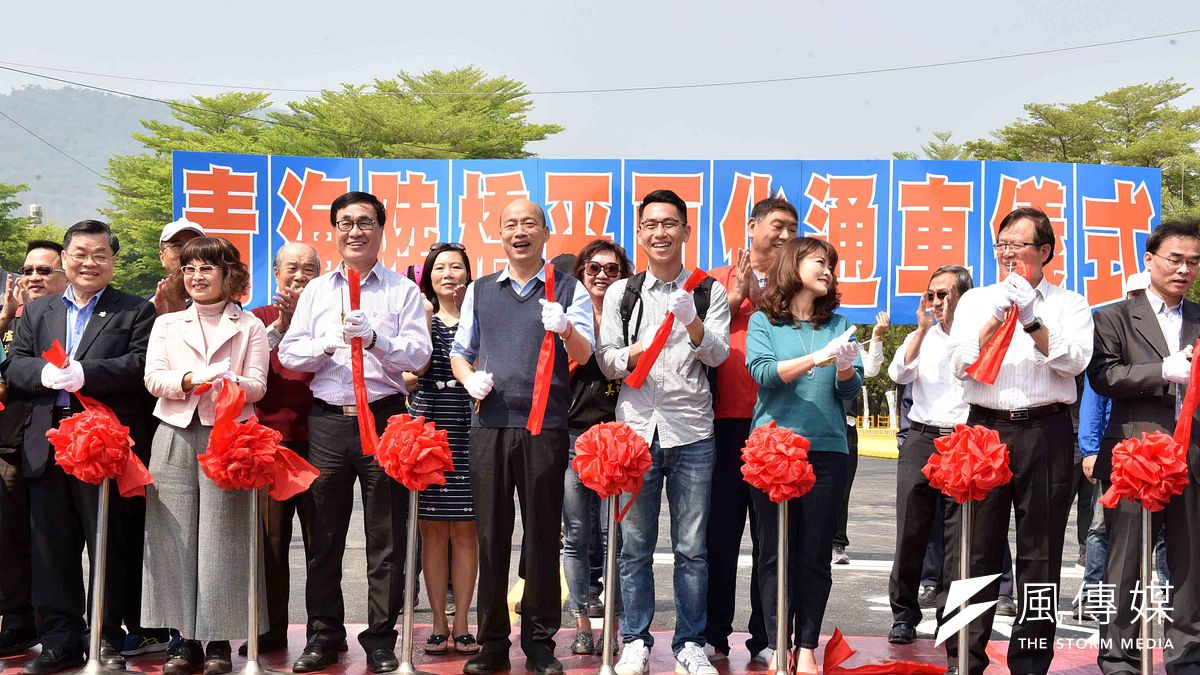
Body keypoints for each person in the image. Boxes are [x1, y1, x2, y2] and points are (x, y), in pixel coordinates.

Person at [279, 191, 431, 674]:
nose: (355, 231)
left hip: (384, 417)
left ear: (381, 229)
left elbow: (419, 355)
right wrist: (328, 343)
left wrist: (376, 340)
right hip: (328, 420)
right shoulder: (317, 291)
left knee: (387, 536)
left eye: (365, 222)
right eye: (345, 223)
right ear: (334, 231)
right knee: (323, 534)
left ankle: (381, 638)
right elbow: (289, 353)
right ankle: (324, 634)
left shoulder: (402, 291)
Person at [3, 220, 157, 675]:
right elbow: (15, 364)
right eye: (81, 254)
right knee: (50, 546)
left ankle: (104, 637)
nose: (90, 263)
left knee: (108, 542)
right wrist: (43, 374)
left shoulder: (135, 310)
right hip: (47, 442)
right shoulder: (38, 310)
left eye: (100, 255)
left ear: (113, 261)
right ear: (66, 258)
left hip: (103, 443)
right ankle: (59, 641)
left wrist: (86, 374)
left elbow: (141, 365)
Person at [946, 206, 1093, 675]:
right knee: (972, 549)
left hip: (1045, 430)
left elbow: (1074, 363)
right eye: (1002, 244)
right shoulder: (976, 300)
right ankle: (963, 659)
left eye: (1018, 244)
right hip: (983, 430)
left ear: (1044, 251)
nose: (1007, 253)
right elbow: (959, 365)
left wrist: (1031, 319)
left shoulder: (1069, 303)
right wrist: (994, 319)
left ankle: (1030, 662)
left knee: (1040, 554)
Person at [450, 198, 594, 675]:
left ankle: (539, 643)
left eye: (529, 223)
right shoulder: (480, 290)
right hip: (490, 425)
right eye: (510, 224)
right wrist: (469, 378)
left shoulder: (568, 288)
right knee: (491, 535)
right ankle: (492, 642)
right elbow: (460, 351)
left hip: (544, 427)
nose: (520, 231)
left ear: (545, 233)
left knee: (542, 536)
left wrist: (566, 327)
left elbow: (585, 352)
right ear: (499, 235)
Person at [597, 189, 731, 675]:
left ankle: (689, 643)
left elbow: (718, 354)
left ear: (685, 231)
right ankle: (635, 639)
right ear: (640, 233)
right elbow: (607, 360)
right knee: (634, 547)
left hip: (692, 432)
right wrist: (640, 349)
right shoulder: (622, 292)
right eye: (651, 224)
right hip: (636, 433)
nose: (660, 232)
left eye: (670, 223)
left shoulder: (708, 291)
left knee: (691, 549)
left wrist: (692, 322)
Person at [140, 236, 270, 675]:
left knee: (224, 537)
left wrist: (229, 381)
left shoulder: (248, 325)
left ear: (227, 273)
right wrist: (190, 379)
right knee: (172, 535)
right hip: (174, 431)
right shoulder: (167, 323)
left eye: (207, 268)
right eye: (189, 268)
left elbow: (258, 386)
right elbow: (154, 378)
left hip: (229, 437)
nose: (196, 277)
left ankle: (218, 640)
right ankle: (182, 639)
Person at [744, 236, 862, 675]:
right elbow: (763, 373)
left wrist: (844, 365)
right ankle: (778, 643)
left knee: (814, 553)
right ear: (793, 267)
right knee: (774, 554)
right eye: (819, 262)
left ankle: (807, 644)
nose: (827, 270)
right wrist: (817, 358)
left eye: (831, 264)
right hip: (772, 451)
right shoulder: (764, 322)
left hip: (826, 449)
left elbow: (850, 390)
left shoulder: (839, 324)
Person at [1088, 218, 1200, 673]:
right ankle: (1120, 660)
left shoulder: (1199, 318)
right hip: (1136, 455)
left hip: (1191, 454)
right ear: (1149, 260)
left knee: (1190, 564)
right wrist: (1162, 372)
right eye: (1175, 259)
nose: (1184, 270)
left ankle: (1188, 659)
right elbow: (1104, 376)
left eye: (1194, 262)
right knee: (1125, 562)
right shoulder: (1113, 317)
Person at [700, 197, 794, 663]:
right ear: (752, 226)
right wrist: (735, 299)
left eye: (792, 228)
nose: (784, 235)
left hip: (775, 427)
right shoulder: (713, 279)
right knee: (718, 535)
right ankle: (713, 633)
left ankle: (768, 637)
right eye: (777, 225)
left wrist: (766, 297)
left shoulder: (793, 284)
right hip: (720, 424)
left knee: (772, 540)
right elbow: (694, 339)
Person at [884, 266, 971, 645]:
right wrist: (920, 330)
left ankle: (950, 617)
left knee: (958, 537)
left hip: (964, 441)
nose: (936, 302)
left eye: (944, 294)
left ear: (964, 297)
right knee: (911, 530)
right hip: (922, 438)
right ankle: (903, 615)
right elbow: (898, 373)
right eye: (931, 295)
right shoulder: (920, 337)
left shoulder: (978, 336)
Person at [243, 242, 321, 655]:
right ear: (276, 273)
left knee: (321, 543)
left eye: (309, 268)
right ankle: (270, 629)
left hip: (321, 442)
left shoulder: (331, 317)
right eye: (292, 267)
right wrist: (282, 325)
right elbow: (246, 370)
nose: (300, 275)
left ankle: (322, 632)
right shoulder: (256, 319)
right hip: (270, 445)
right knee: (271, 542)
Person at [405, 243, 479, 656]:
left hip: (472, 430)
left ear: (469, 274)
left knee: (466, 530)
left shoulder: (480, 317)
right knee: (431, 530)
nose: (448, 274)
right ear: (428, 278)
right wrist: (423, 320)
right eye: (440, 268)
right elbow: (409, 371)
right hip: (428, 431)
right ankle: (436, 621)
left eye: (456, 267)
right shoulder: (420, 318)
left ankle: (463, 621)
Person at [562, 239, 632, 656]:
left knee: (614, 539)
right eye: (594, 268)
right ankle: (581, 624)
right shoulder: (569, 316)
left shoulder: (630, 315)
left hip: (619, 438)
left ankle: (614, 627)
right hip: (573, 436)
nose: (602, 275)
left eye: (612, 269)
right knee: (575, 535)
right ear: (581, 273)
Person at [0, 242, 67, 658]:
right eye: (28, 270)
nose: (34, 278)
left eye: (45, 270)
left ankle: (72, 628)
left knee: (54, 542)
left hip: (59, 441)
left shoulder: (72, 318)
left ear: (66, 274)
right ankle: (18, 620)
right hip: (10, 441)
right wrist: (5, 319)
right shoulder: (11, 318)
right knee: (9, 536)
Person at [832, 310, 888, 565]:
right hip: (815, 422)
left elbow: (872, 370)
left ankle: (837, 543)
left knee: (842, 487)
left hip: (845, 424)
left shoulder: (849, 341)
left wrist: (876, 337)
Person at [151, 218, 205, 316]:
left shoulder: (225, 308)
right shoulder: (143, 308)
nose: (186, 253)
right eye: (177, 246)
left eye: (194, 246)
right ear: (162, 257)